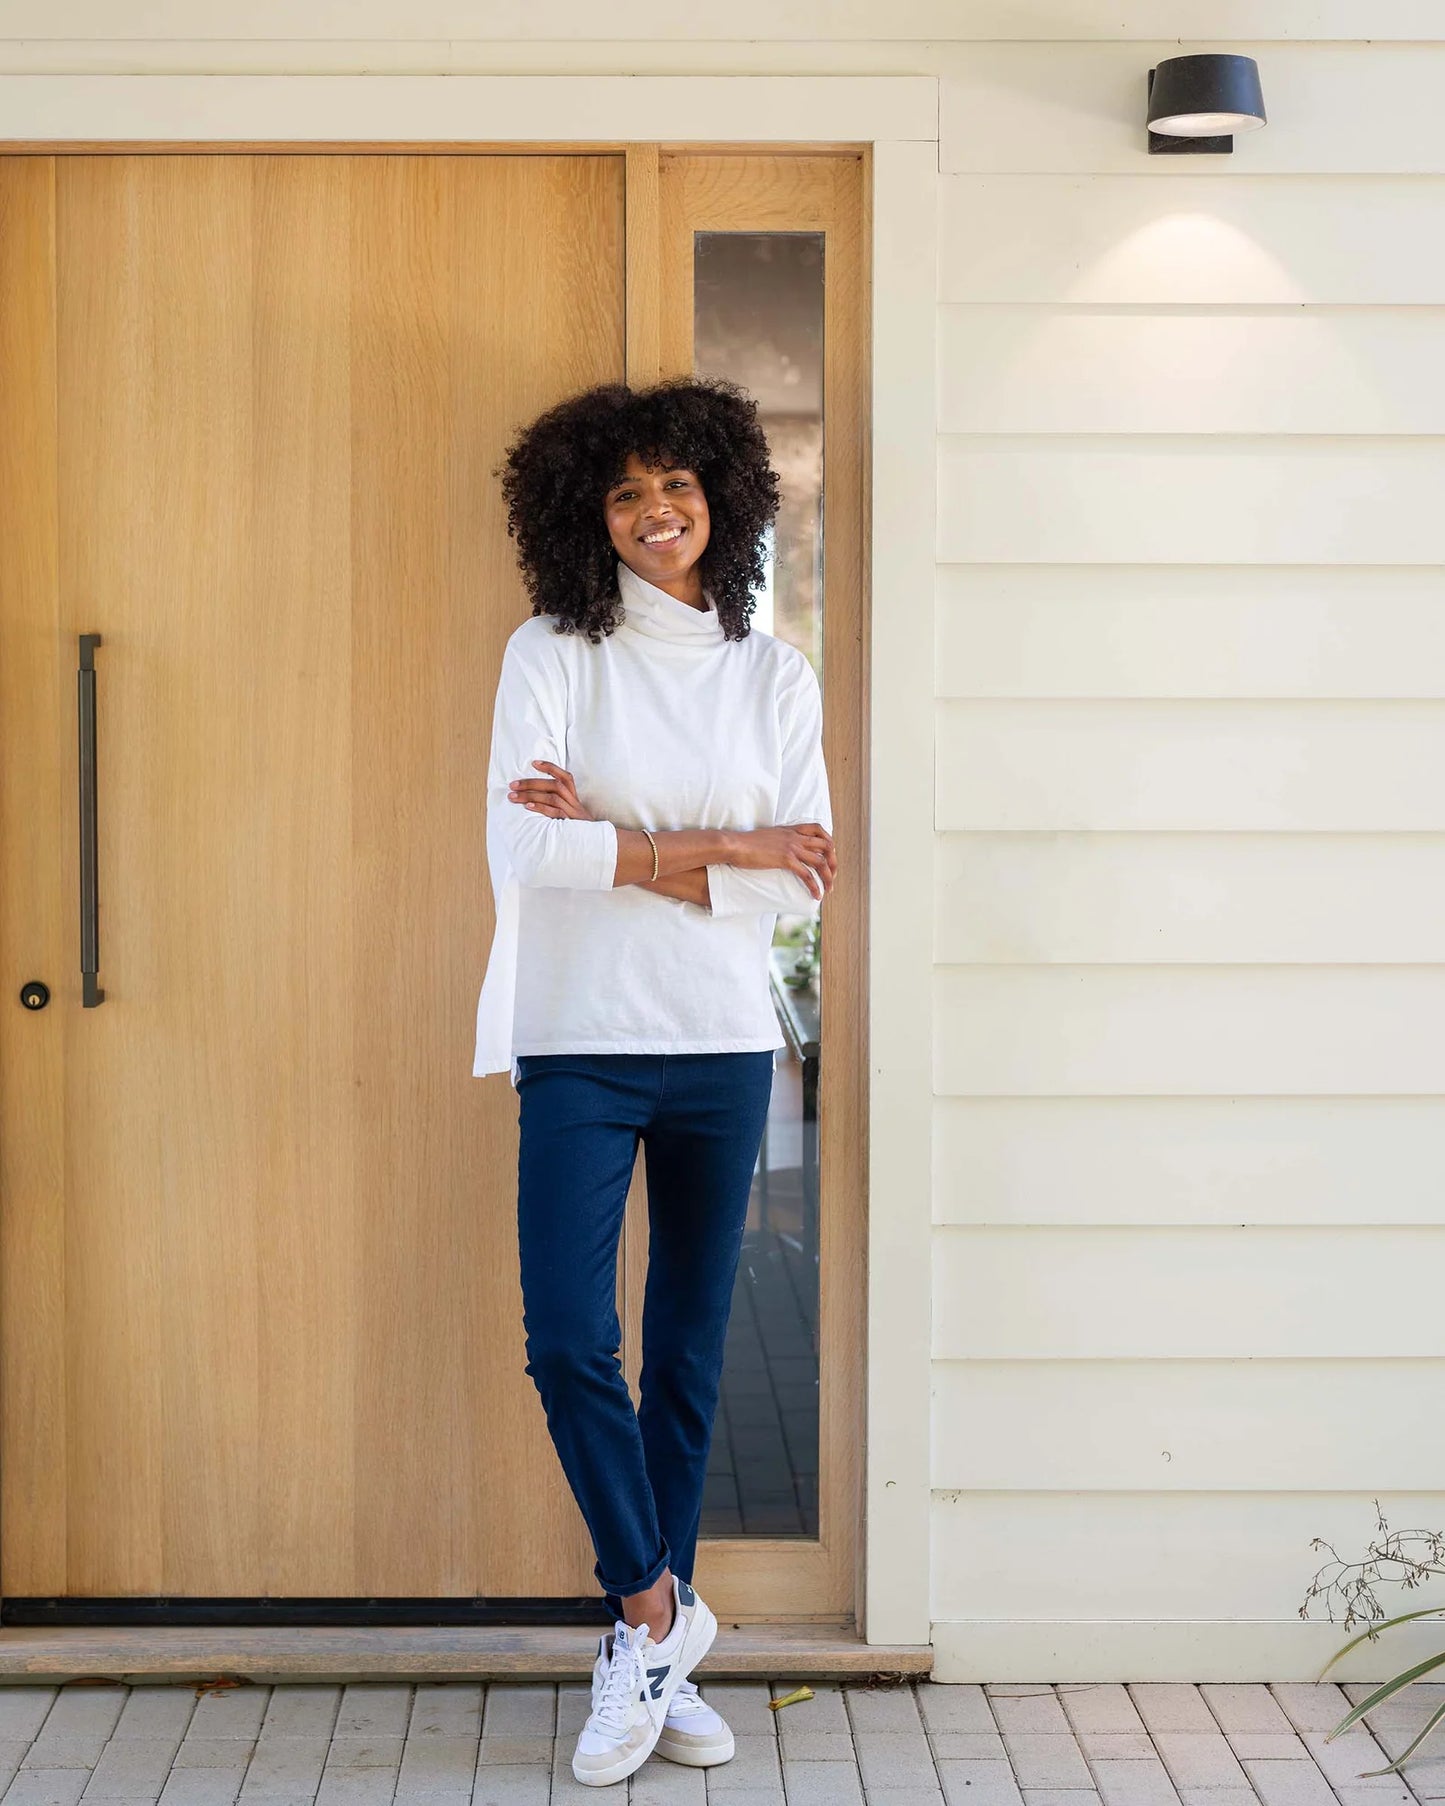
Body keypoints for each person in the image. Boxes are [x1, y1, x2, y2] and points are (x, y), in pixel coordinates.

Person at [471, 376, 837, 1789]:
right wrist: (719, 850)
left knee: (687, 1355)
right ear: (586, 510)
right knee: (569, 1336)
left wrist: (629, 842)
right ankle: (653, 1612)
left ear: (722, 497)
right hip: (575, 1031)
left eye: (674, 485)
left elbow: (796, 885)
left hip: (720, 1043)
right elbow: (527, 858)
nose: (652, 512)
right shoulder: (550, 652)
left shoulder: (773, 674)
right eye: (623, 492)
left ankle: (643, 1647)